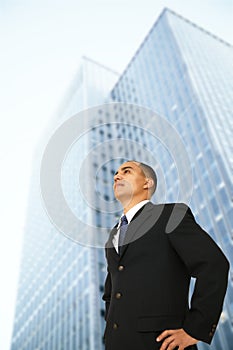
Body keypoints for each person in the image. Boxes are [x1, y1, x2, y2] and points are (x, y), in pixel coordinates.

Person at [102, 160, 229, 350]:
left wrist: (194, 329)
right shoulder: (113, 235)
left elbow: (213, 264)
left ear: (147, 183)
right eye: (116, 174)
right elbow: (111, 294)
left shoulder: (170, 215)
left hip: (162, 344)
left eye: (126, 171)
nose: (116, 176)